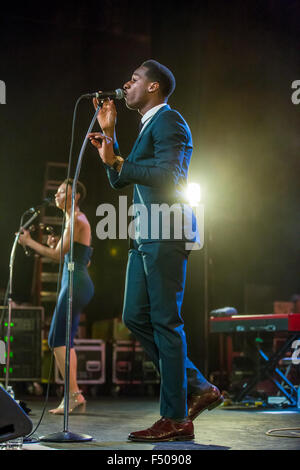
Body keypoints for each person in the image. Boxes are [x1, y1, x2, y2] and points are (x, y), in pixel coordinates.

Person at [89, 59, 223, 442]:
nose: (125, 84)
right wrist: (111, 138)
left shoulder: (170, 122)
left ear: (153, 87)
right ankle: (198, 386)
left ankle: (175, 417)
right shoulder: (148, 127)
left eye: (133, 80)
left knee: (165, 321)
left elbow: (171, 178)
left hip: (167, 232)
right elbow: (121, 181)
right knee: (134, 316)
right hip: (145, 235)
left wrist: (117, 158)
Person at [18, 179, 94, 414]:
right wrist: (57, 242)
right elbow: (78, 255)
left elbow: (57, 255)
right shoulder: (74, 220)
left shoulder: (77, 219)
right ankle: (75, 394)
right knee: (64, 340)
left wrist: (29, 242)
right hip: (73, 281)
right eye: (58, 192)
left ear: (76, 196)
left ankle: (72, 395)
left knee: (55, 339)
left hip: (75, 283)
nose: (57, 195)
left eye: (63, 192)